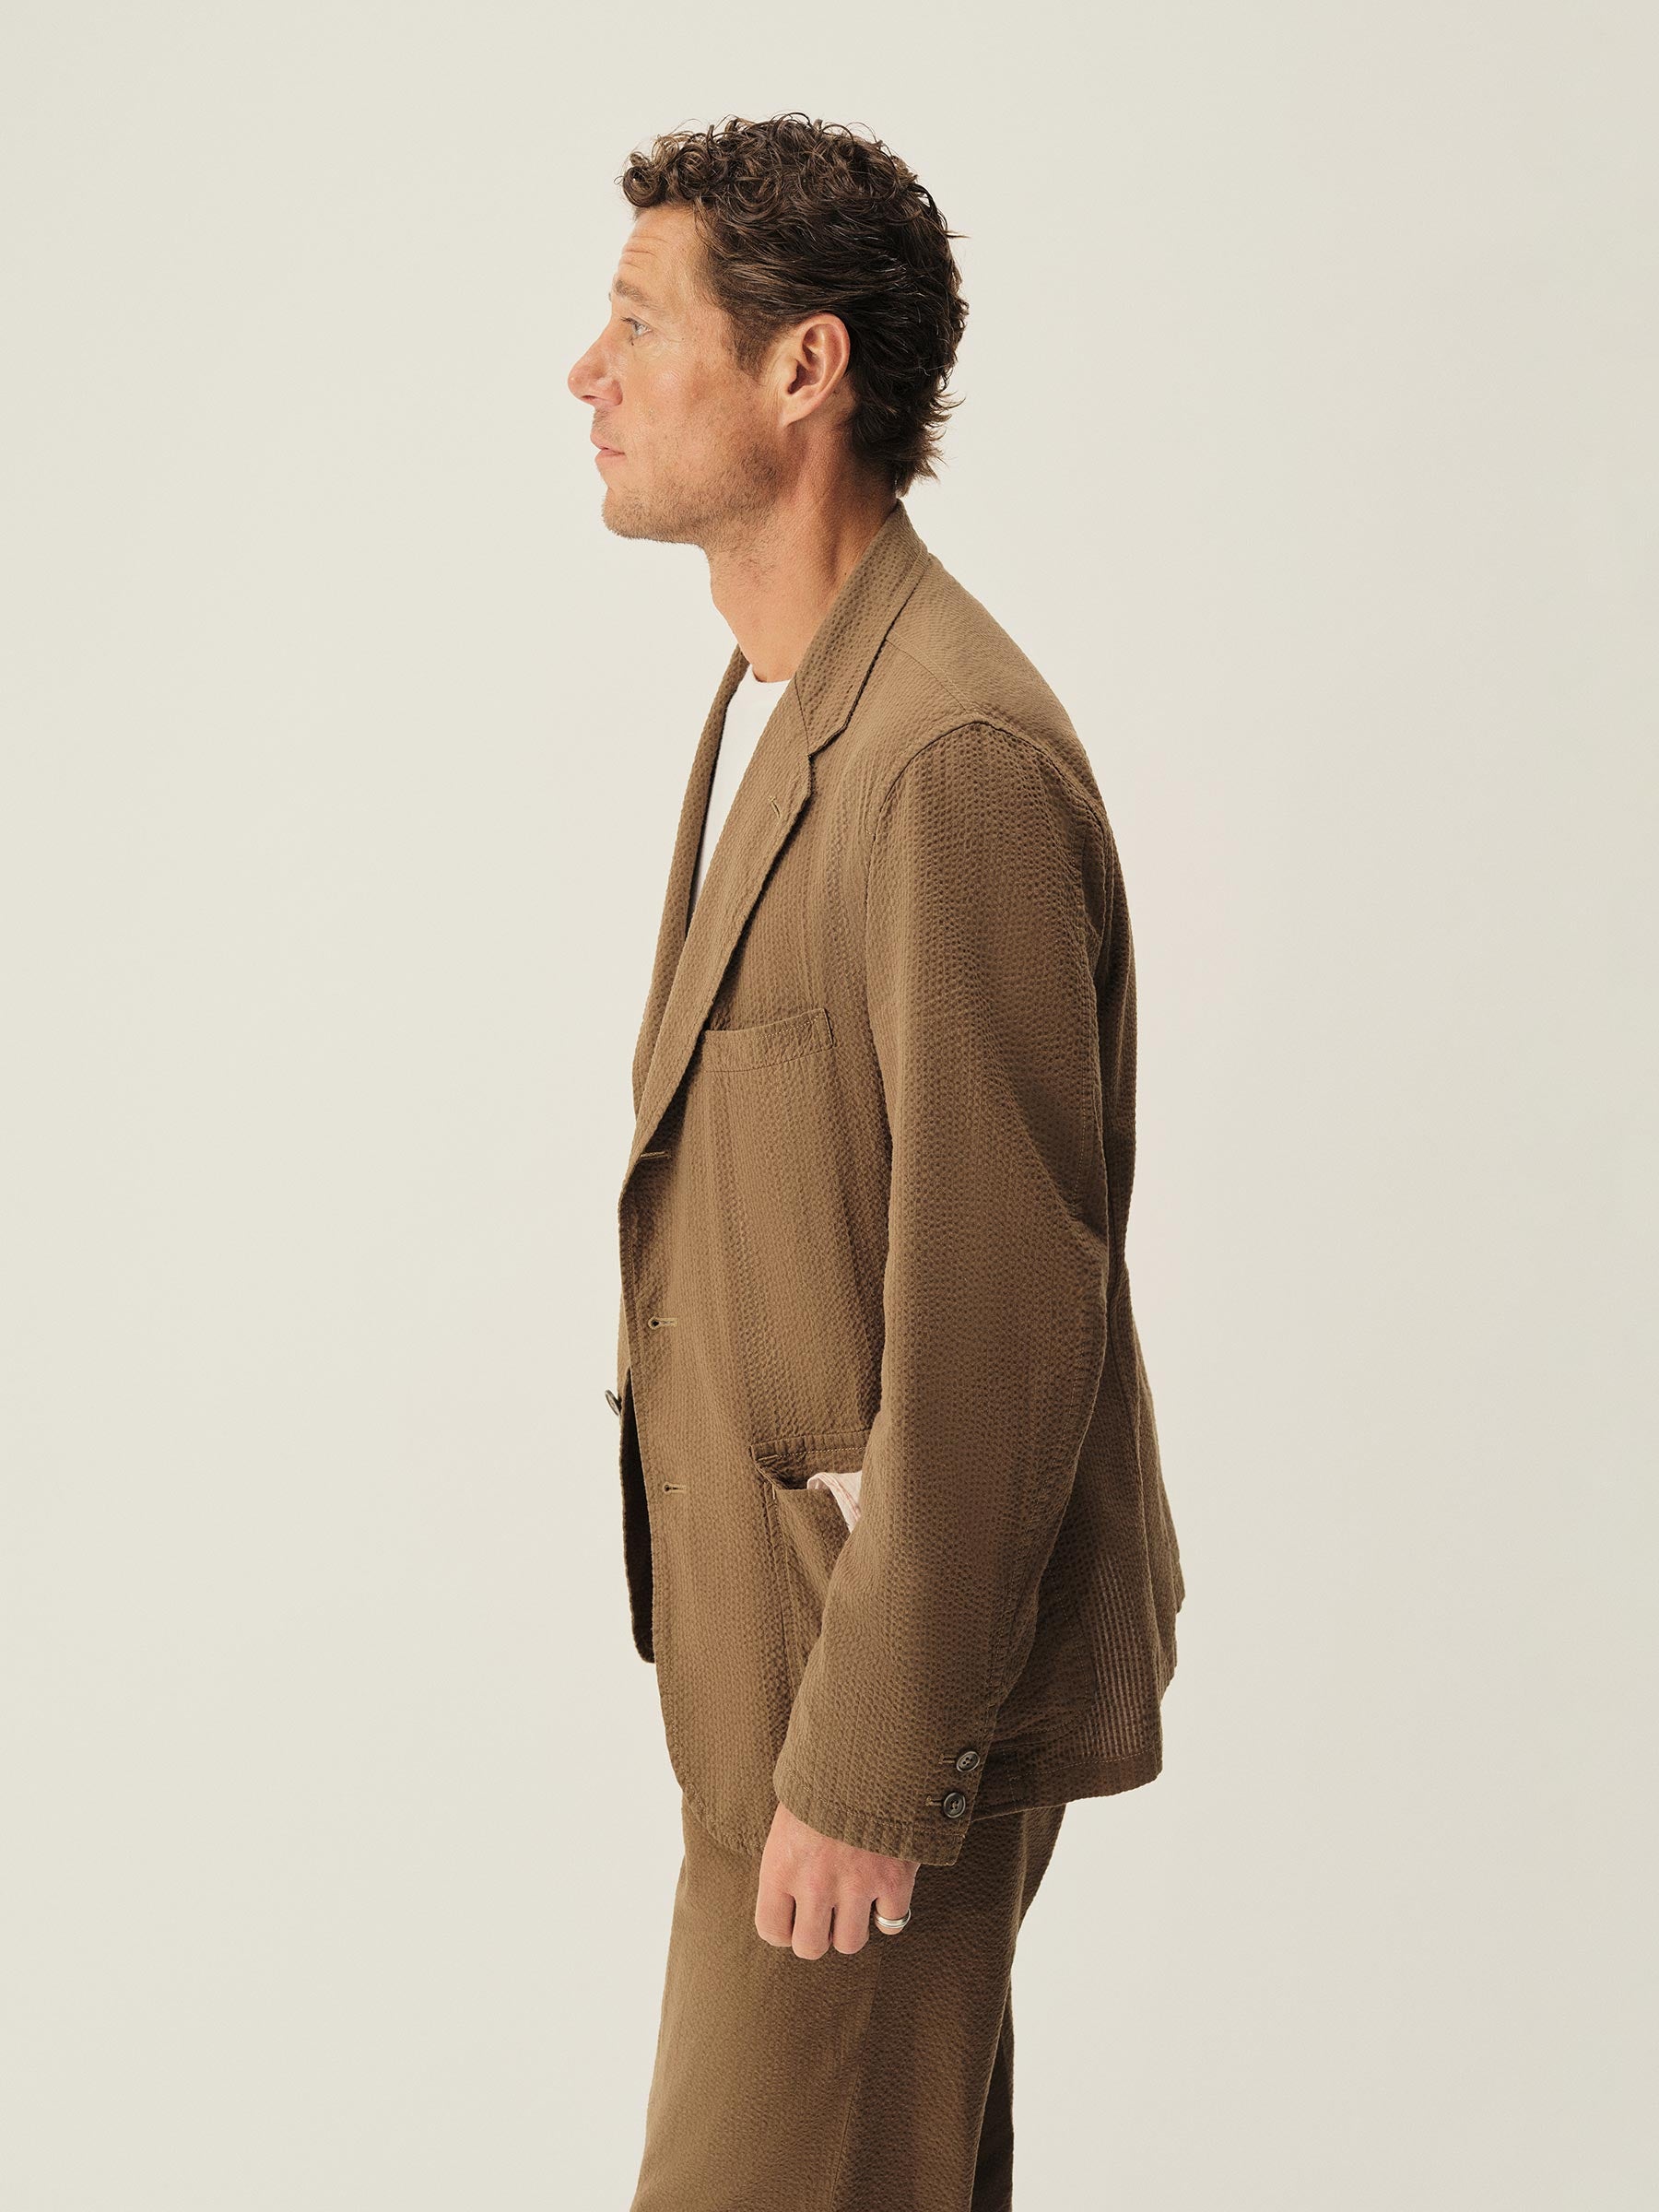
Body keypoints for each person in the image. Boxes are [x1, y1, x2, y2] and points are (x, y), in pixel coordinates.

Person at [567, 111, 1185, 2212]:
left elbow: (1007, 1314)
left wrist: (871, 1756)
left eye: (641, 324)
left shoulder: (947, 759)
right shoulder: (780, 699)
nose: (589, 373)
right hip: (781, 1672)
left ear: (802, 369)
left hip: (872, 1698)